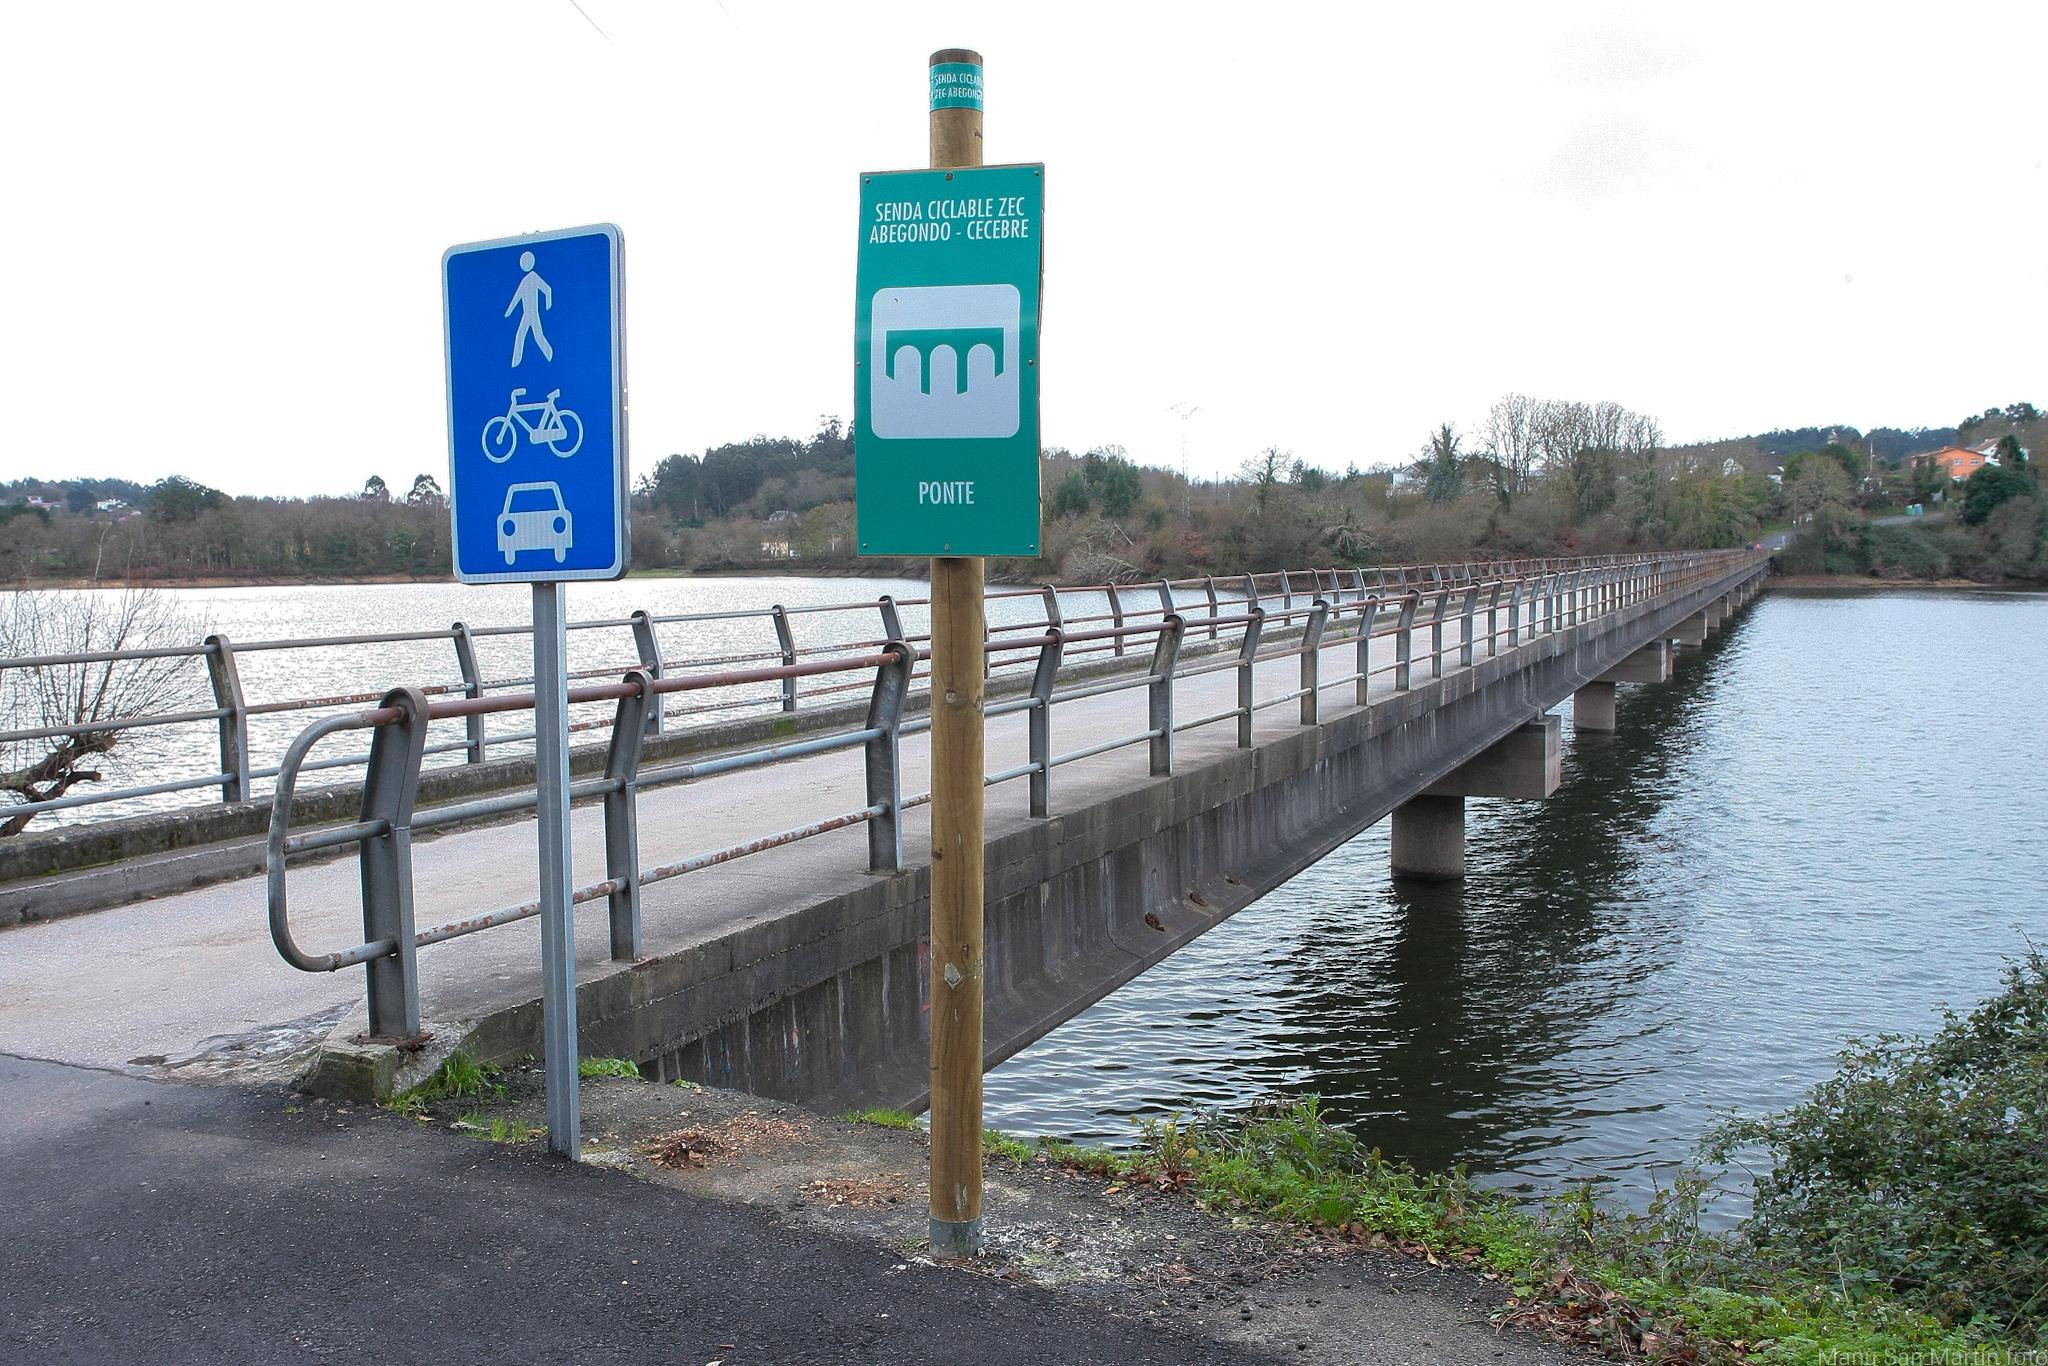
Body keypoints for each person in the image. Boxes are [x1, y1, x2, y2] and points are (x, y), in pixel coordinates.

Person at [504, 250, 554, 366]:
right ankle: (515, 363)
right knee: (522, 335)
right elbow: (517, 298)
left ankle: (550, 356)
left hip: (533, 314)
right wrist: (508, 313)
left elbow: (547, 289)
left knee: (537, 336)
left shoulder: (533, 277)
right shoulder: (524, 280)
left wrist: (548, 305)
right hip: (527, 315)